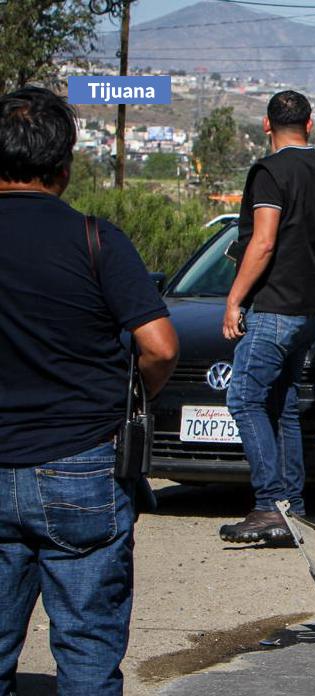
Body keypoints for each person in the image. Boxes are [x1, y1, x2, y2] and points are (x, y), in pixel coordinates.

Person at [0, 86, 179, 695]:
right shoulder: (97, 241)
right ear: (64, 166)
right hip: (82, 465)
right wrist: (130, 401)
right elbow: (159, 347)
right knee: (87, 649)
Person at [218, 90, 315, 545]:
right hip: (309, 309)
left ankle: (270, 504)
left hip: (272, 307)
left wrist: (234, 299)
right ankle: (292, 509)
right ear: (309, 125)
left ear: (267, 126)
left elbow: (264, 240)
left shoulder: (270, 171)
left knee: (245, 400)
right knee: (283, 406)